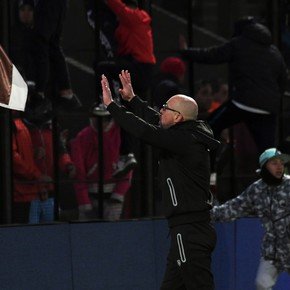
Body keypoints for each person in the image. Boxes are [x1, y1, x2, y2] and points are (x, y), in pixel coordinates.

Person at [101, 70, 220, 289]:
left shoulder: (185, 140)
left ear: (178, 117)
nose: (161, 110)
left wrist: (112, 106)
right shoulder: (186, 133)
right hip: (186, 228)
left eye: (166, 108)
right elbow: (155, 121)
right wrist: (132, 100)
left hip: (189, 230)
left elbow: (146, 132)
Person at [179, 17, 287, 153]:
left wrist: (186, 52)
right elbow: (283, 80)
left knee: (209, 129)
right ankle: (273, 174)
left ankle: (209, 169)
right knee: (268, 151)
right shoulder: (274, 51)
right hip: (268, 109)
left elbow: (212, 55)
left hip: (243, 102)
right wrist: (273, 99)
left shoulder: (239, 43)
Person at [211, 148, 290, 290]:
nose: (279, 167)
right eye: (274, 163)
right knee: (262, 284)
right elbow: (234, 207)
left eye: (281, 163)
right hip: (272, 250)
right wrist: (208, 215)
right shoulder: (257, 189)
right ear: (264, 166)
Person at [70, 104, 133, 221]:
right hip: (90, 194)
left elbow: (127, 166)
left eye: (105, 119)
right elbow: (79, 171)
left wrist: (118, 195)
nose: (100, 121)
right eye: (97, 117)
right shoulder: (83, 137)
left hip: (113, 197)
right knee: (87, 233)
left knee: (111, 233)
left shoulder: (120, 134)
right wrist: (85, 203)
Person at [32, 0, 81, 110]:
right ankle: (64, 90)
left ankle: (40, 92)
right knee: (51, 44)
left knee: (43, 42)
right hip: (55, 5)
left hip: (49, 5)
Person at [104, 0, 156, 97]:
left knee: (102, 66)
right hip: (142, 67)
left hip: (138, 66)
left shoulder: (135, 17)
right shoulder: (137, 21)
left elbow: (118, 7)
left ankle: (106, 101)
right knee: (133, 102)